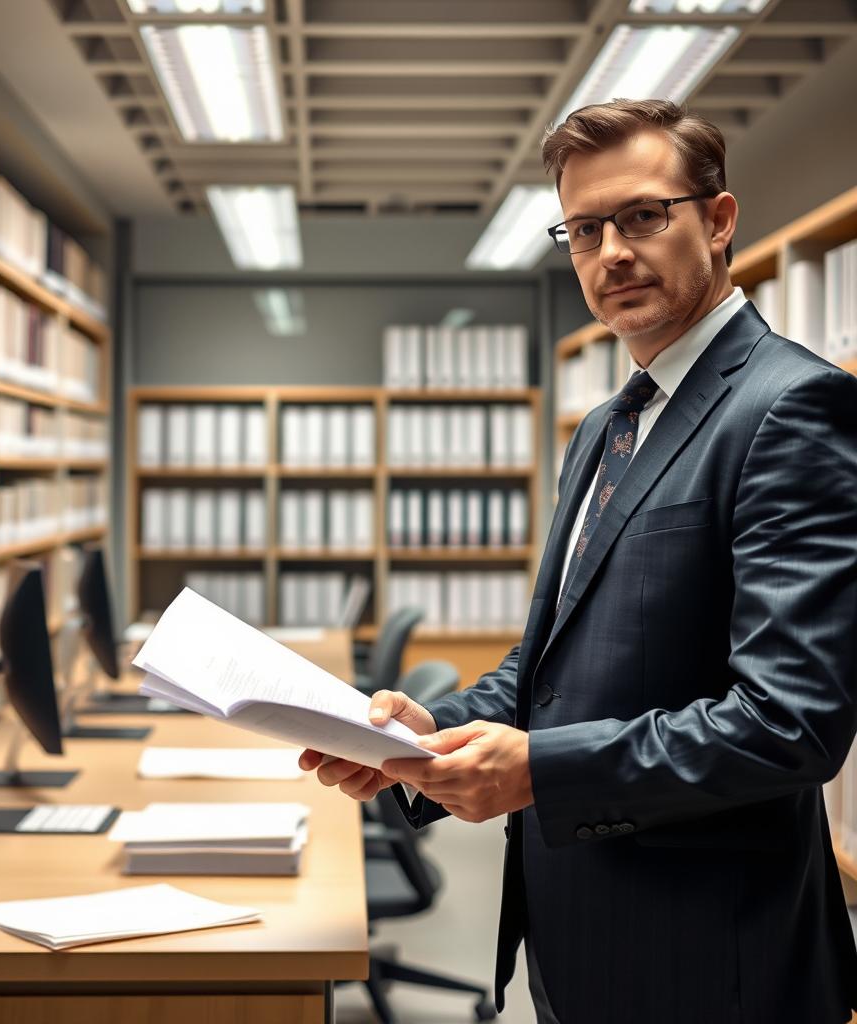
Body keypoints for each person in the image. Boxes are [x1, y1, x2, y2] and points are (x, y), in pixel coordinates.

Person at [300, 98, 857, 1024]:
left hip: (712, 960)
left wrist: (540, 774)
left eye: (644, 216)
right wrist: (417, 739)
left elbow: (789, 721)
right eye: (585, 229)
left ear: (718, 222)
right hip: (579, 935)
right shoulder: (606, 426)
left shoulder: (792, 407)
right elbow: (546, 670)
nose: (612, 254)